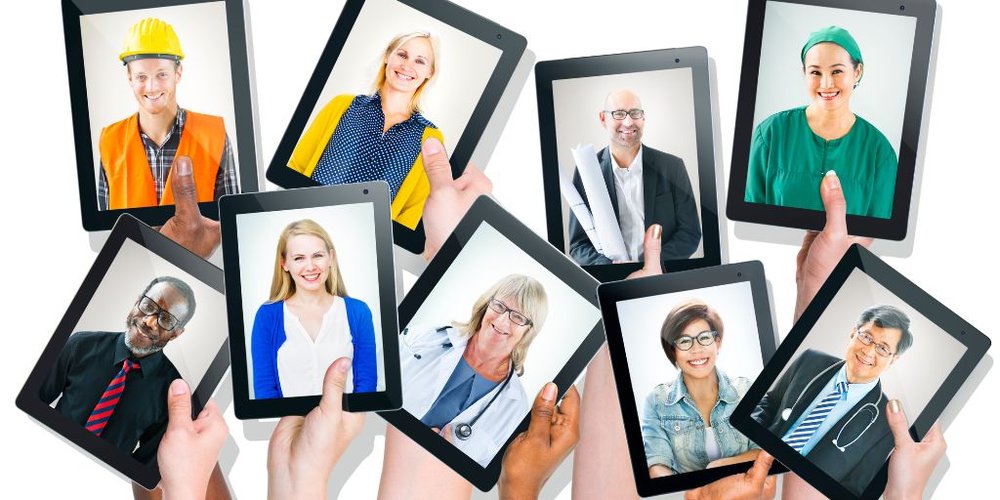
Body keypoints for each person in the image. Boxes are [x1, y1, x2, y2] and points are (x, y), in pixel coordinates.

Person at [288, 31, 443, 230]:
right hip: (308, 223)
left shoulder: (429, 138)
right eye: (402, 55)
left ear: (430, 72)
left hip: (366, 243)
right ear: (388, 56)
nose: (407, 66)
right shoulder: (342, 105)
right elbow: (297, 166)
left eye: (420, 61)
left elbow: (412, 211)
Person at [751, 304, 913, 496]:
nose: (869, 352)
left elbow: (855, 489)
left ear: (893, 360)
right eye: (867, 337)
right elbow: (768, 404)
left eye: (883, 348)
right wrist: (752, 446)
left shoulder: (886, 426)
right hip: (754, 464)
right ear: (853, 333)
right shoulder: (810, 360)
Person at [40, 276, 196, 464]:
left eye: (165, 319)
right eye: (148, 306)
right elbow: (34, 400)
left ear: (176, 333)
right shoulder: (79, 345)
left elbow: (143, 466)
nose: (149, 322)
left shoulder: (172, 395)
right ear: (137, 301)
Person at [744, 26, 897, 219]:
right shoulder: (770, 134)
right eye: (815, 72)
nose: (826, 84)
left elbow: (878, 235)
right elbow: (750, 219)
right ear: (804, 73)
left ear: (857, 72)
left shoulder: (879, 153)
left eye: (837, 71)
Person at [399, 273, 548, 466]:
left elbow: (487, 470)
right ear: (487, 305)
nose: (502, 321)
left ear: (528, 331)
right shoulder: (426, 338)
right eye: (500, 306)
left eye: (518, 317)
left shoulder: (515, 407)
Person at [98, 17, 238, 211]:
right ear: (129, 77)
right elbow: (105, 231)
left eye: (162, 74)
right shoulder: (111, 141)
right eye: (141, 76)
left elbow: (232, 224)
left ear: (178, 73)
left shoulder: (214, 136)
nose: (152, 87)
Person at [567, 89, 701, 265]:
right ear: (603, 119)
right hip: (610, 281)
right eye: (619, 114)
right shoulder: (586, 171)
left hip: (660, 275)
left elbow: (689, 233)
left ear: (643, 118)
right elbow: (578, 245)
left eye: (635, 113)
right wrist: (608, 268)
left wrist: (653, 264)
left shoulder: (672, 167)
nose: (628, 122)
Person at [251, 220, 377, 398]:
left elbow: (366, 385)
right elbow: (264, 390)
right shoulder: (267, 316)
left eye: (317, 255)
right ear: (284, 263)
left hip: (345, 423)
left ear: (331, 258)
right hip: (291, 424)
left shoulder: (358, 312)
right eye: (299, 258)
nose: (310, 267)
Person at [643, 300, 760, 477]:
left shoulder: (746, 389)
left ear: (717, 343)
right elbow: (657, 465)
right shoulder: (657, 400)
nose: (696, 349)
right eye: (684, 341)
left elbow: (763, 450)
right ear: (673, 350)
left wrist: (721, 466)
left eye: (704, 338)